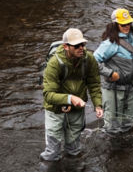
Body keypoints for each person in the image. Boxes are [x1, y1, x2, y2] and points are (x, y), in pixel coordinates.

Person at [40, 28, 103, 161]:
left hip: (76, 110)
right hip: (55, 110)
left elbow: (94, 84)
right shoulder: (54, 63)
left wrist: (98, 105)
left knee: (74, 150)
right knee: (52, 153)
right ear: (66, 47)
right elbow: (48, 95)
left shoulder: (88, 59)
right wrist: (70, 98)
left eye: (83, 44)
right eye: (76, 46)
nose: (81, 48)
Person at [94, 8, 133, 135]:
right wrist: (110, 74)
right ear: (115, 25)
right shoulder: (109, 43)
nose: (127, 26)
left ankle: (126, 150)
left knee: (128, 123)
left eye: (129, 23)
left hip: (130, 87)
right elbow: (92, 62)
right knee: (112, 127)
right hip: (113, 90)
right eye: (123, 24)